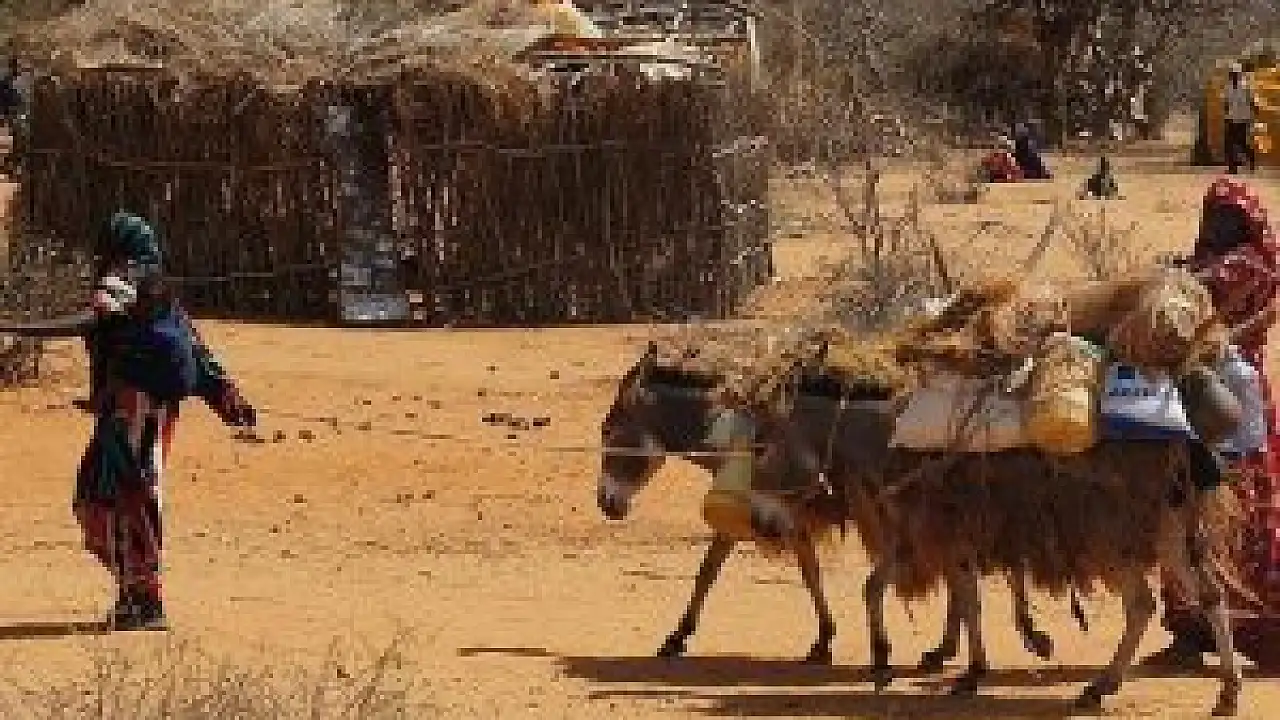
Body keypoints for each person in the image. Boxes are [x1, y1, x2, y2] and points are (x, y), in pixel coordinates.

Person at [0, 212, 256, 630]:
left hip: (141, 408)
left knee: (132, 493)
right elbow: (197, 352)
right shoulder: (160, 296)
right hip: (122, 411)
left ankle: (146, 600)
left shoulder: (134, 281)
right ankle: (133, 593)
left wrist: (228, 400)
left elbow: (118, 303)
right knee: (94, 499)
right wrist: (229, 400)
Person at [1143, 177, 1280, 669]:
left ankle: (1261, 631)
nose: (1217, 226)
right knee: (1185, 509)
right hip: (1195, 396)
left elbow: (1197, 289)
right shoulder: (1212, 261)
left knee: (1237, 510)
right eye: (1213, 216)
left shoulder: (1249, 264)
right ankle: (1191, 631)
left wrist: (1165, 278)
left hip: (1232, 404)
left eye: (1228, 217)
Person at [1223, 63, 1258, 174]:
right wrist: (1226, 116)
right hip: (1232, 118)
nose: (1232, 76)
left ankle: (1251, 157)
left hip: (1243, 119)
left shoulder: (1245, 87)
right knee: (1229, 143)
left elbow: (1252, 102)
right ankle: (1232, 168)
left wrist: (1254, 117)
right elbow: (1226, 103)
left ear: (1238, 74)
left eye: (1234, 74)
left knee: (1240, 142)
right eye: (1231, 74)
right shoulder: (1228, 87)